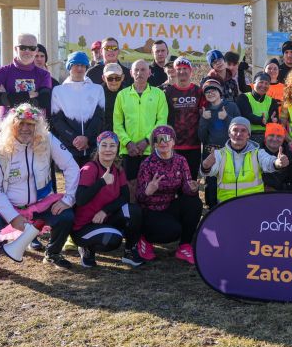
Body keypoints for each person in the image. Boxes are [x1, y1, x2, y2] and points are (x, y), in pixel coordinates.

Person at [0, 104, 79, 279]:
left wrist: (68, 199)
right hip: (8, 205)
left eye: (30, 124)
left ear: (37, 126)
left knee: (66, 215)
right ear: (11, 125)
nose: (25, 128)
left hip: (40, 203)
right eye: (20, 123)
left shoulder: (47, 139)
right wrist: (13, 217)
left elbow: (71, 167)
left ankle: (52, 254)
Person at [72, 131, 143, 269]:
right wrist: (102, 182)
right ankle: (86, 248)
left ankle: (129, 252)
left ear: (117, 149)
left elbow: (125, 197)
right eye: (104, 145)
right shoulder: (90, 169)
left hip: (104, 219)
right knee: (113, 240)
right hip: (84, 226)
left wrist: (105, 211)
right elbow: (80, 199)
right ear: (98, 148)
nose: (108, 149)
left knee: (134, 211)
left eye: (112, 145)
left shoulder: (118, 169)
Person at [134, 126, 203, 264]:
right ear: (154, 144)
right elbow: (139, 197)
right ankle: (144, 238)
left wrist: (193, 188)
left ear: (173, 142)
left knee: (194, 202)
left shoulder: (181, 161)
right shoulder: (147, 164)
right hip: (150, 211)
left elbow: (186, 189)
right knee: (172, 231)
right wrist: (148, 191)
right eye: (158, 139)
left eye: (166, 139)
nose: (162, 143)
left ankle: (184, 246)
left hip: (169, 206)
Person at [201, 117, 289, 203]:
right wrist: (205, 166)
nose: (239, 134)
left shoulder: (258, 153)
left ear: (248, 135)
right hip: (226, 206)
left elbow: (268, 162)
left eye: (243, 130)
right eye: (235, 130)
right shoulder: (219, 154)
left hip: (253, 206)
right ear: (229, 133)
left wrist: (277, 163)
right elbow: (209, 171)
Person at [113, 60, 169, 189]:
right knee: (130, 188)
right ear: (131, 73)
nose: (140, 73)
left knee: (151, 186)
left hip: (151, 150)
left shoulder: (159, 94)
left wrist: (147, 141)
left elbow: (162, 122)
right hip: (128, 150)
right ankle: (132, 209)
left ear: (149, 73)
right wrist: (127, 143)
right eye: (136, 70)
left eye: (143, 70)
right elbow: (117, 124)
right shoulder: (122, 95)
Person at [50, 51, 106, 167]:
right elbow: (57, 120)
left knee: (90, 181)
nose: (80, 68)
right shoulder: (58, 91)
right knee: (72, 182)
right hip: (69, 147)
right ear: (69, 67)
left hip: (91, 147)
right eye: (76, 65)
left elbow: (99, 117)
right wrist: (74, 139)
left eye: (83, 65)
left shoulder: (97, 89)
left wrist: (87, 138)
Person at [197, 80, 241, 208]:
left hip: (229, 152)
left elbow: (240, 128)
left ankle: (229, 208)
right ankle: (211, 209)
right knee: (211, 183)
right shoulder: (206, 111)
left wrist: (227, 118)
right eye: (207, 92)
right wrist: (204, 120)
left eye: (213, 90)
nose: (210, 93)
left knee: (228, 180)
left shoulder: (231, 106)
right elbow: (202, 137)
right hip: (211, 152)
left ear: (220, 92)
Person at [0, 33, 53, 120]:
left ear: (36, 50)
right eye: (23, 48)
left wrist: (10, 99)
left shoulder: (44, 75)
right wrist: (29, 95)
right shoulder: (1, 72)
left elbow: (44, 101)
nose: (27, 51)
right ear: (16, 49)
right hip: (9, 128)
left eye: (32, 48)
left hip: (35, 128)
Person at [164, 57, 203, 179]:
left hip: (194, 145)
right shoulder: (168, 92)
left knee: (191, 180)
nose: (182, 72)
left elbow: (204, 114)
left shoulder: (198, 91)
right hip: (174, 146)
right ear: (174, 72)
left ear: (191, 71)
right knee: (174, 181)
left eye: (185, 69)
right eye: (179, 69)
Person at [237, 72, 280, 145]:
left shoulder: (272, 101)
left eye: (266, 83)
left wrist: (274, 120)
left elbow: (274, 119)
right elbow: (246, 115)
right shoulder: (244, 97)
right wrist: (260, 120)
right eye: (261, 82)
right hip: (247, 137)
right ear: (254, 83)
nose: (263, 85)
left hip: (267, 138)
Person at [261, 123, 292, 192]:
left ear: (283, 139)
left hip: (285, 198)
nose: (275, 139)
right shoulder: (255, 154)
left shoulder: (291, 157)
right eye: (271, 135)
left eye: (279, 136)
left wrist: (277, 189)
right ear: (265, 137)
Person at [101, 63, 126, 132]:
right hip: (103, 137)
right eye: (110, 78)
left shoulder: (129, 93)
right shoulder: (97, 94)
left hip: (124, 136)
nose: (114, 81)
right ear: (103, 78)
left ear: (122, 77)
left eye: (117, 78)